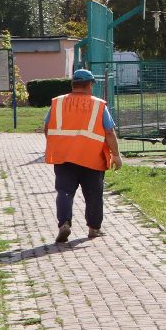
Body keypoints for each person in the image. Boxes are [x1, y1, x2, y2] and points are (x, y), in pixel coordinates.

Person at [42, 69, 123, 243]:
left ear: (73, 84)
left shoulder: (58, 102)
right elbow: (109, 132)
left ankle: (64, 223)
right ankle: (94, 228)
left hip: (64, 158)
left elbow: (47, 128)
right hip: (91, 158)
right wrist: (116, 155)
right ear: (89, 85)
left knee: (64, 192)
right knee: (93, 194)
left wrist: (57, 145)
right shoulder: (98, 105)